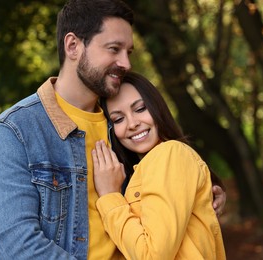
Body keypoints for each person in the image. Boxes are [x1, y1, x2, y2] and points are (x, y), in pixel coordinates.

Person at [0, 0, 226, 259]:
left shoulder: (125, 130)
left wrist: (200, 193)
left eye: (128, 52)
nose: (126, 63)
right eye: (114, 49)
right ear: (73, 46)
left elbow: (161, 202)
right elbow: (19, 250)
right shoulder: (16, 132)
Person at [92, 71, 226, 259]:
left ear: (157, 108)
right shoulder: (140, 172)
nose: (132, 124)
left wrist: (109, 197)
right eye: (118, 119)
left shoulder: (170, 153)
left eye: (140, 109)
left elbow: (152, 255)